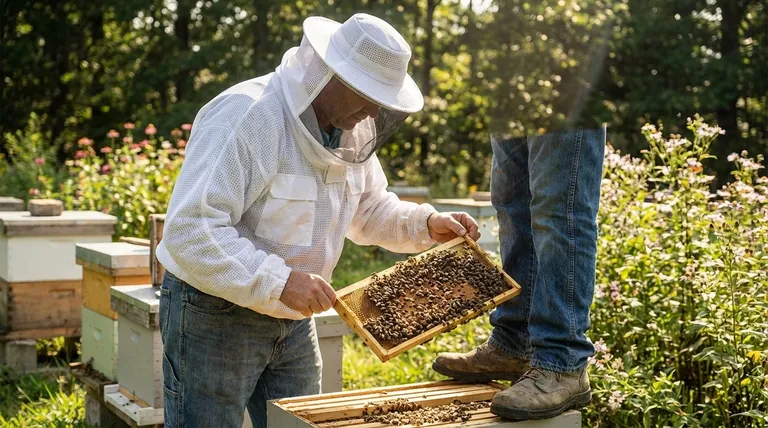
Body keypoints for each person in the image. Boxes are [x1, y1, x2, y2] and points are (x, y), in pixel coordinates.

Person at [156, 13, 480, 428]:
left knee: (300, 423)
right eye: (366, 94)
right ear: (329, 74)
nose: (373, 110)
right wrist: (281, 282)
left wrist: (425, 224)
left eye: (382, 99)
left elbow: (369, 208)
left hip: (292, 321)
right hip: (215, 313)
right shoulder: (248, 115)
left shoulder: (352, 131)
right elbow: (192, 229)